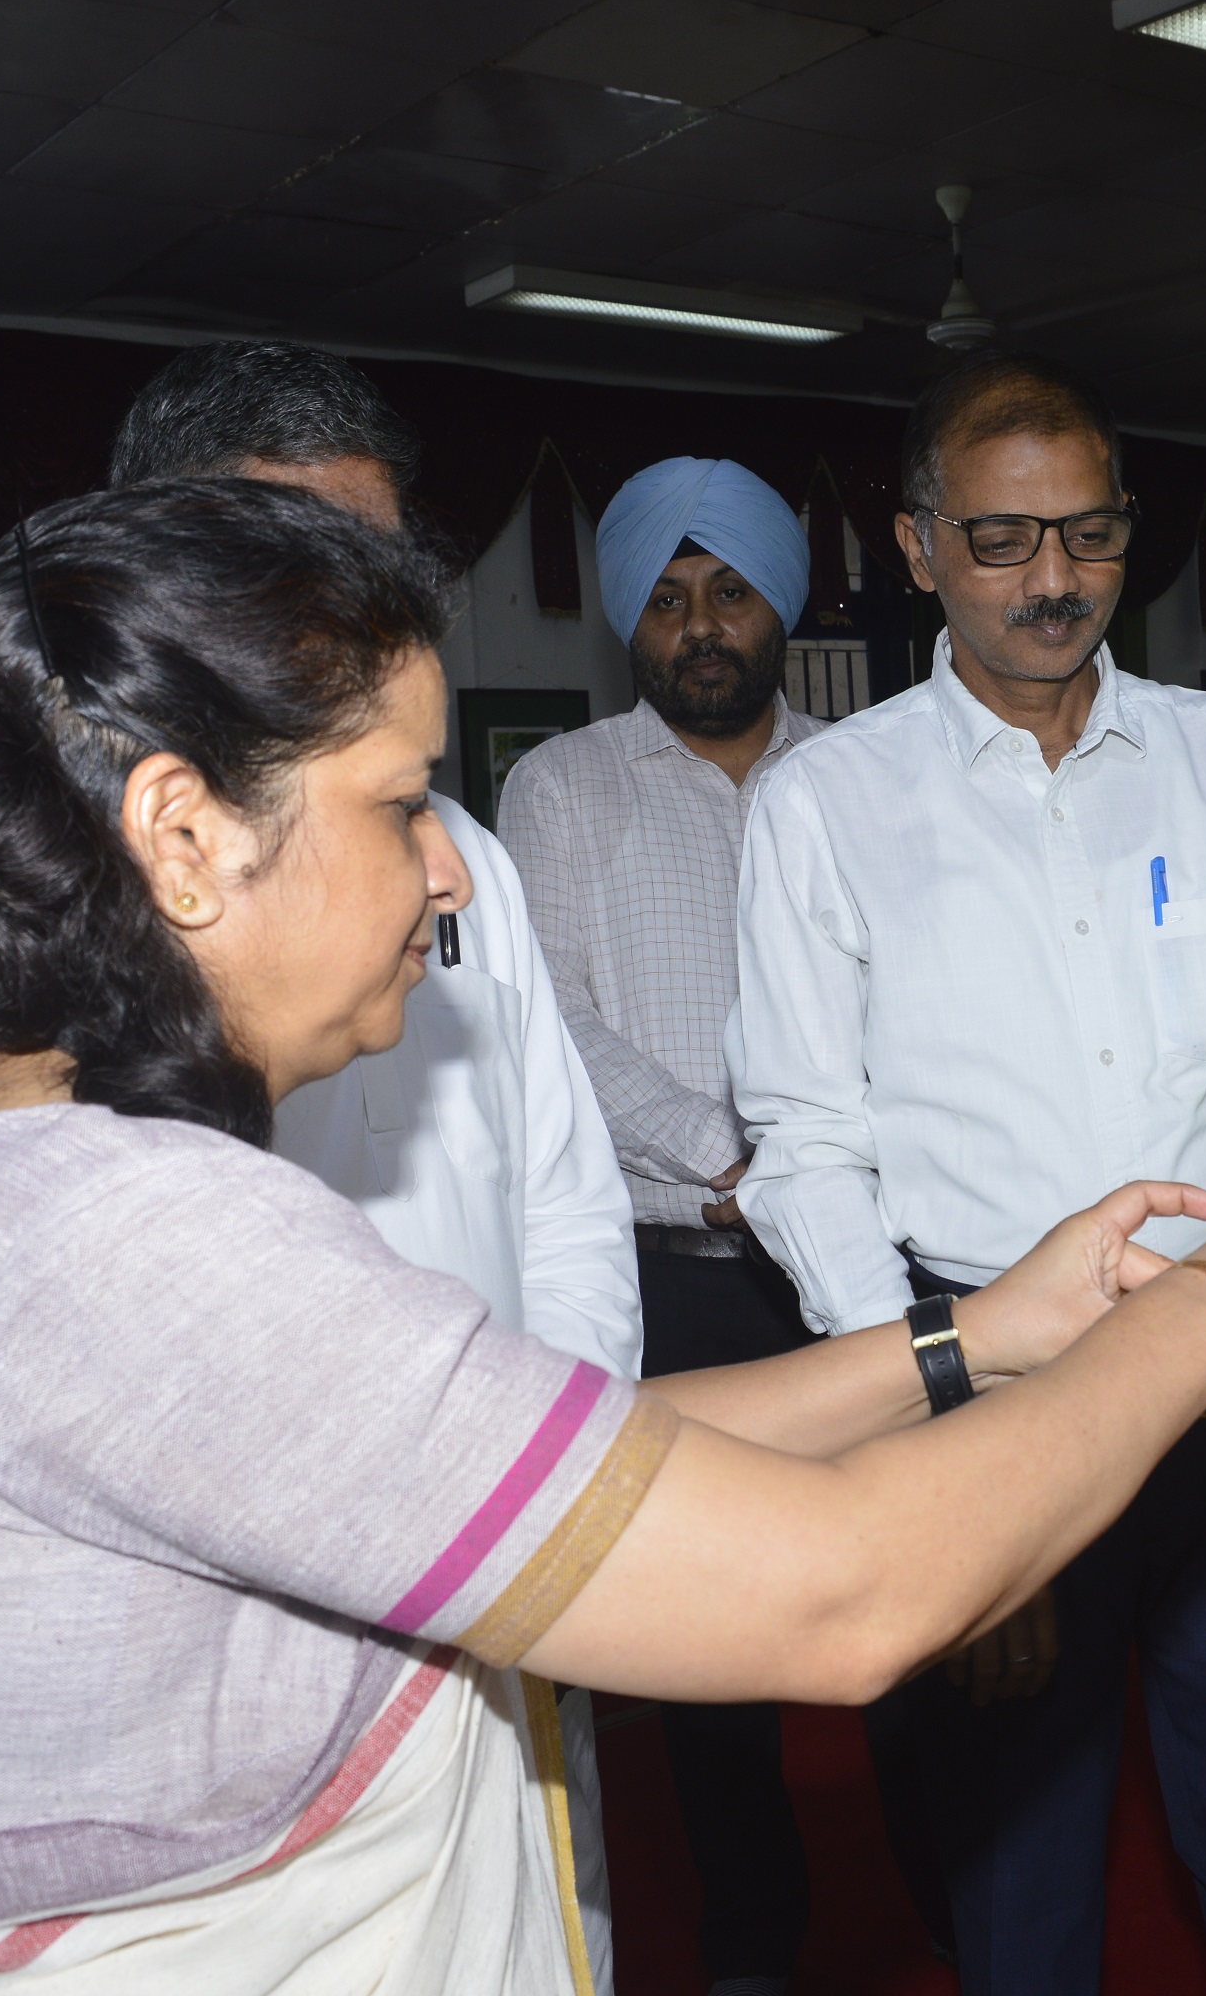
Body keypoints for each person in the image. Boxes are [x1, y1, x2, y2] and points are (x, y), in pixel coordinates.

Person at [0, 478, 1206, 1995]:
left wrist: (978, 1335)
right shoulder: (126, 1248)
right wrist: (1204, 1314)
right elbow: (845, 1599)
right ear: (184, 834)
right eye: (401, 803)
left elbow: (575, 1456)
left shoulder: (22, 1182)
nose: (448, 877)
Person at [729, 350, 1206, 1996]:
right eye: (1004, 541)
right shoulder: (828, 804)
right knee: (1016, 1911)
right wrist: (958, 1463)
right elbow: (807, 1143)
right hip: (993, 1387)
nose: (1051, 581)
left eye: (1087, 538)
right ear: (915, 545)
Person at [110, 338, 644, 1982]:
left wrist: (569, 1497)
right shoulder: (95, 909)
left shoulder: (455, 853)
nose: (355, 613)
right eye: (300, 564)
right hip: (253, 1636)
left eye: (382, 568)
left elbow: (560, 1190)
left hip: (509, 1545)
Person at [497, 456, 832, 1996]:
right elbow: (552, 1025)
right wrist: (736, 1159)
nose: (701, 626)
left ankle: (967, 1901)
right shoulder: (561, 791)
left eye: (731, 593)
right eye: (669, 600)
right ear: (632, 622)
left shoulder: (862, 775)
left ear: (784, 605)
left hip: (862, 1274)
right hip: (677, 1281)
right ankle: (757, 1943)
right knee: (710, 1658)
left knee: (936, 1603)